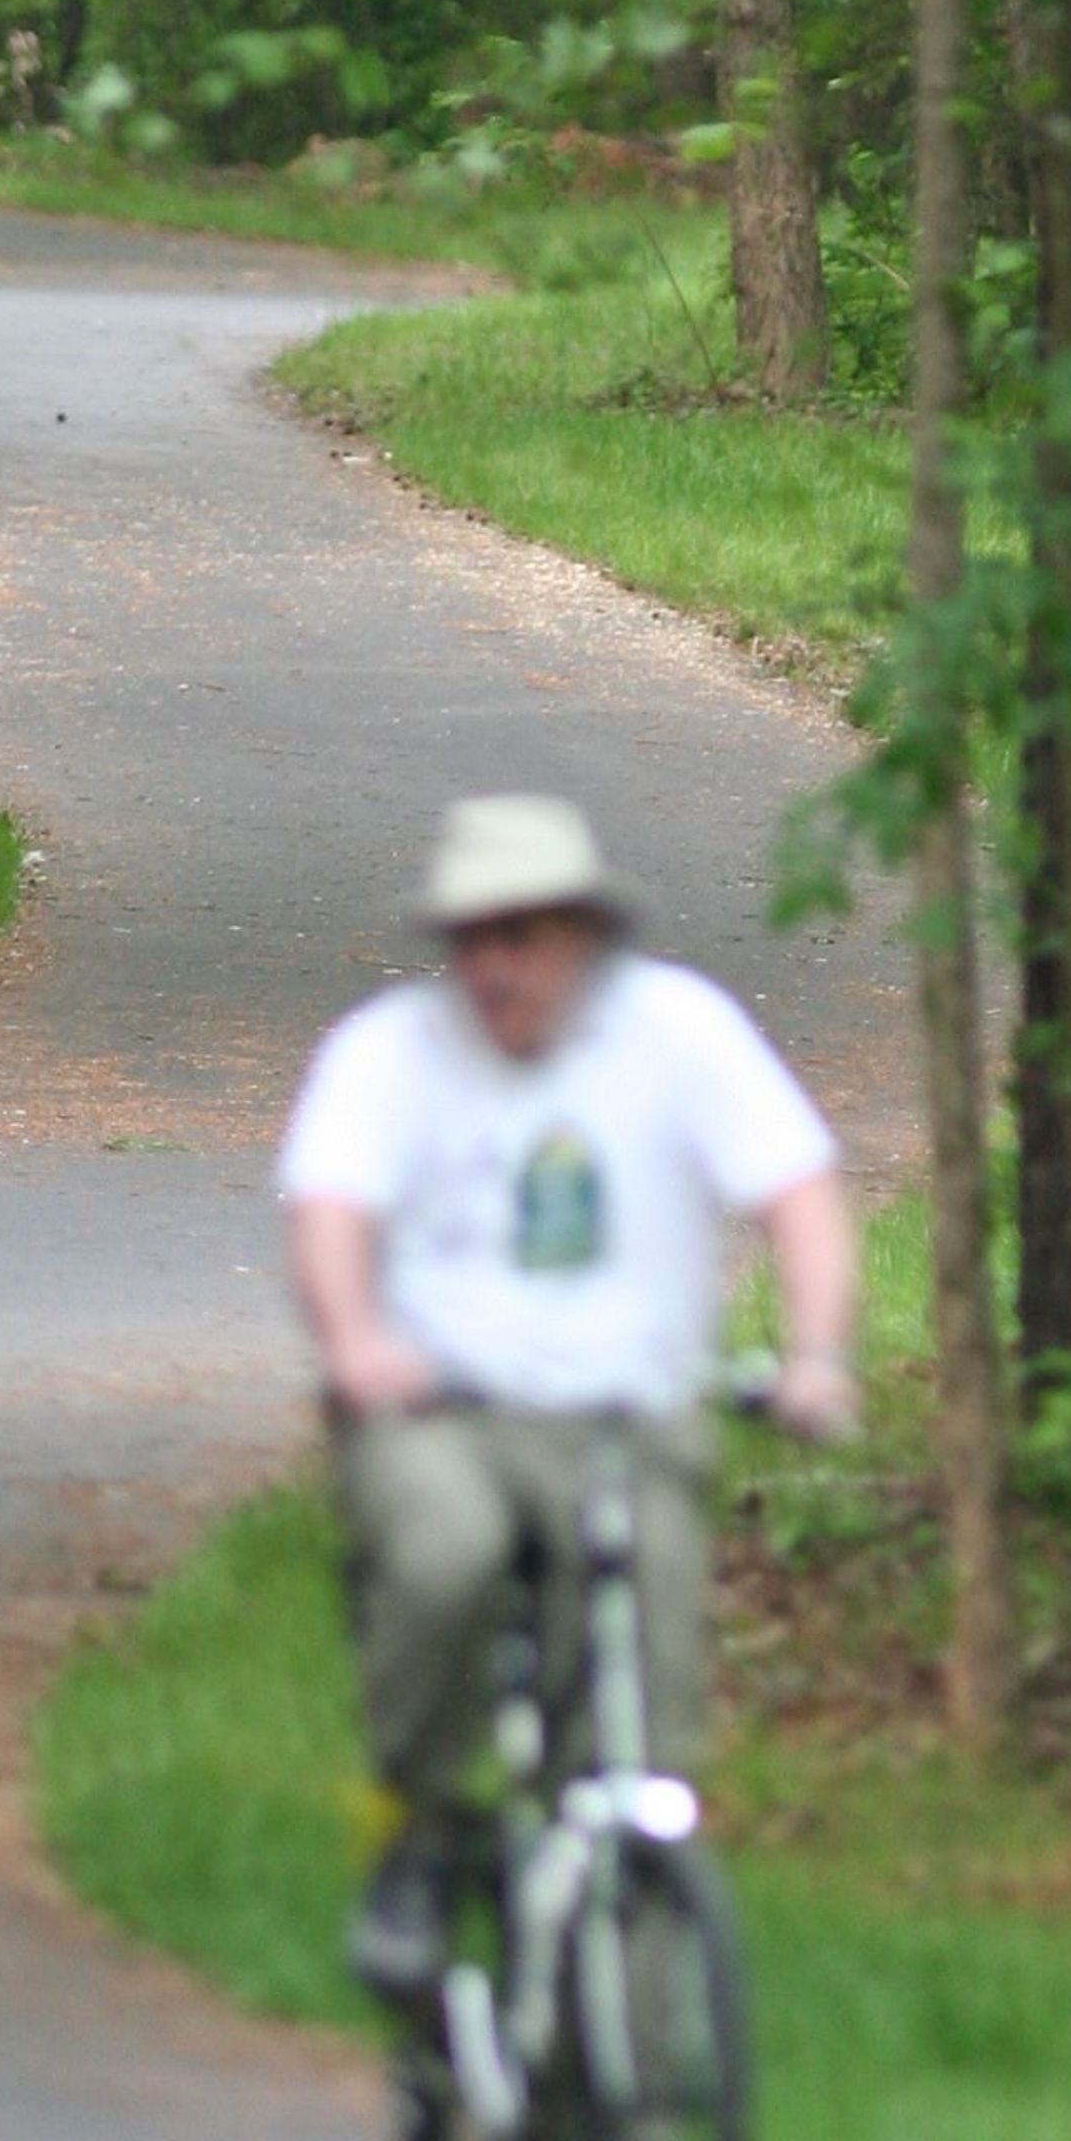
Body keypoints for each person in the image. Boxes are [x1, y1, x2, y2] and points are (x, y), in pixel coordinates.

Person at [279, 793, 859, 2000]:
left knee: (640, 1755)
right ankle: (424, 1831)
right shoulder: (392, 1052)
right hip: (450, 1416)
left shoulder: (679, 1032)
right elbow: (331, 1211)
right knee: (445, 1554)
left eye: (524, 936)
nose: (495, 966)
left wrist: (815, 1354)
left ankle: (639, 2089)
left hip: (629, 1424)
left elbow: (797, 1191)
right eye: (473, 939)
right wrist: (356, 1342)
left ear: (584, 934)